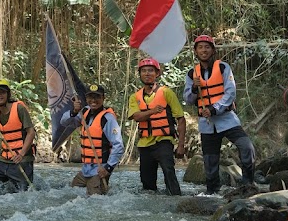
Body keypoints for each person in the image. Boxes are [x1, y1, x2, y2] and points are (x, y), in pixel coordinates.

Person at [182, 35, 256, 195]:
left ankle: (248, 184)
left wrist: (215, 108)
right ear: (195, 51)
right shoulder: (192, 74)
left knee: (246, 148)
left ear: (213, 50)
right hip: (207, 123)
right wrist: (194, 89)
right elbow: (188, 99)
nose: (204, 50)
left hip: (227, 119)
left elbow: (230, 92)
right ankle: (212, 192)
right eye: (200, 47)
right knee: (210, 162)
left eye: (207, 47)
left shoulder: (223, 67)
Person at [127, 58, 186, 195]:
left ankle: (176, 198)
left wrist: (181, 145)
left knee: (168, 171)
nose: (147, 73)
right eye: (144, 71)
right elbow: (137, 116)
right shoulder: (135, 97)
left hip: (164, 140)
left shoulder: (166, 92)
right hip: (145, 143)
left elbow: (181, 119)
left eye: (150, 71)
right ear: (140, 74)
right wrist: (152, 111)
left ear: (157, 74)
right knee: (147, 182)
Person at [59, 83, 124, 195]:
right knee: (72, 190)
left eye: (97, 97)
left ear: (103, 98)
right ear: (86, 98)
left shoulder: (107, 118)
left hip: (100, 168)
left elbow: (118, 146)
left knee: (94, 198)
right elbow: (64, 122)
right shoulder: (84, 112)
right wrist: (74, 111)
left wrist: (108, 168)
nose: (93, 100)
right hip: (86, 168)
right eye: (90, 97)